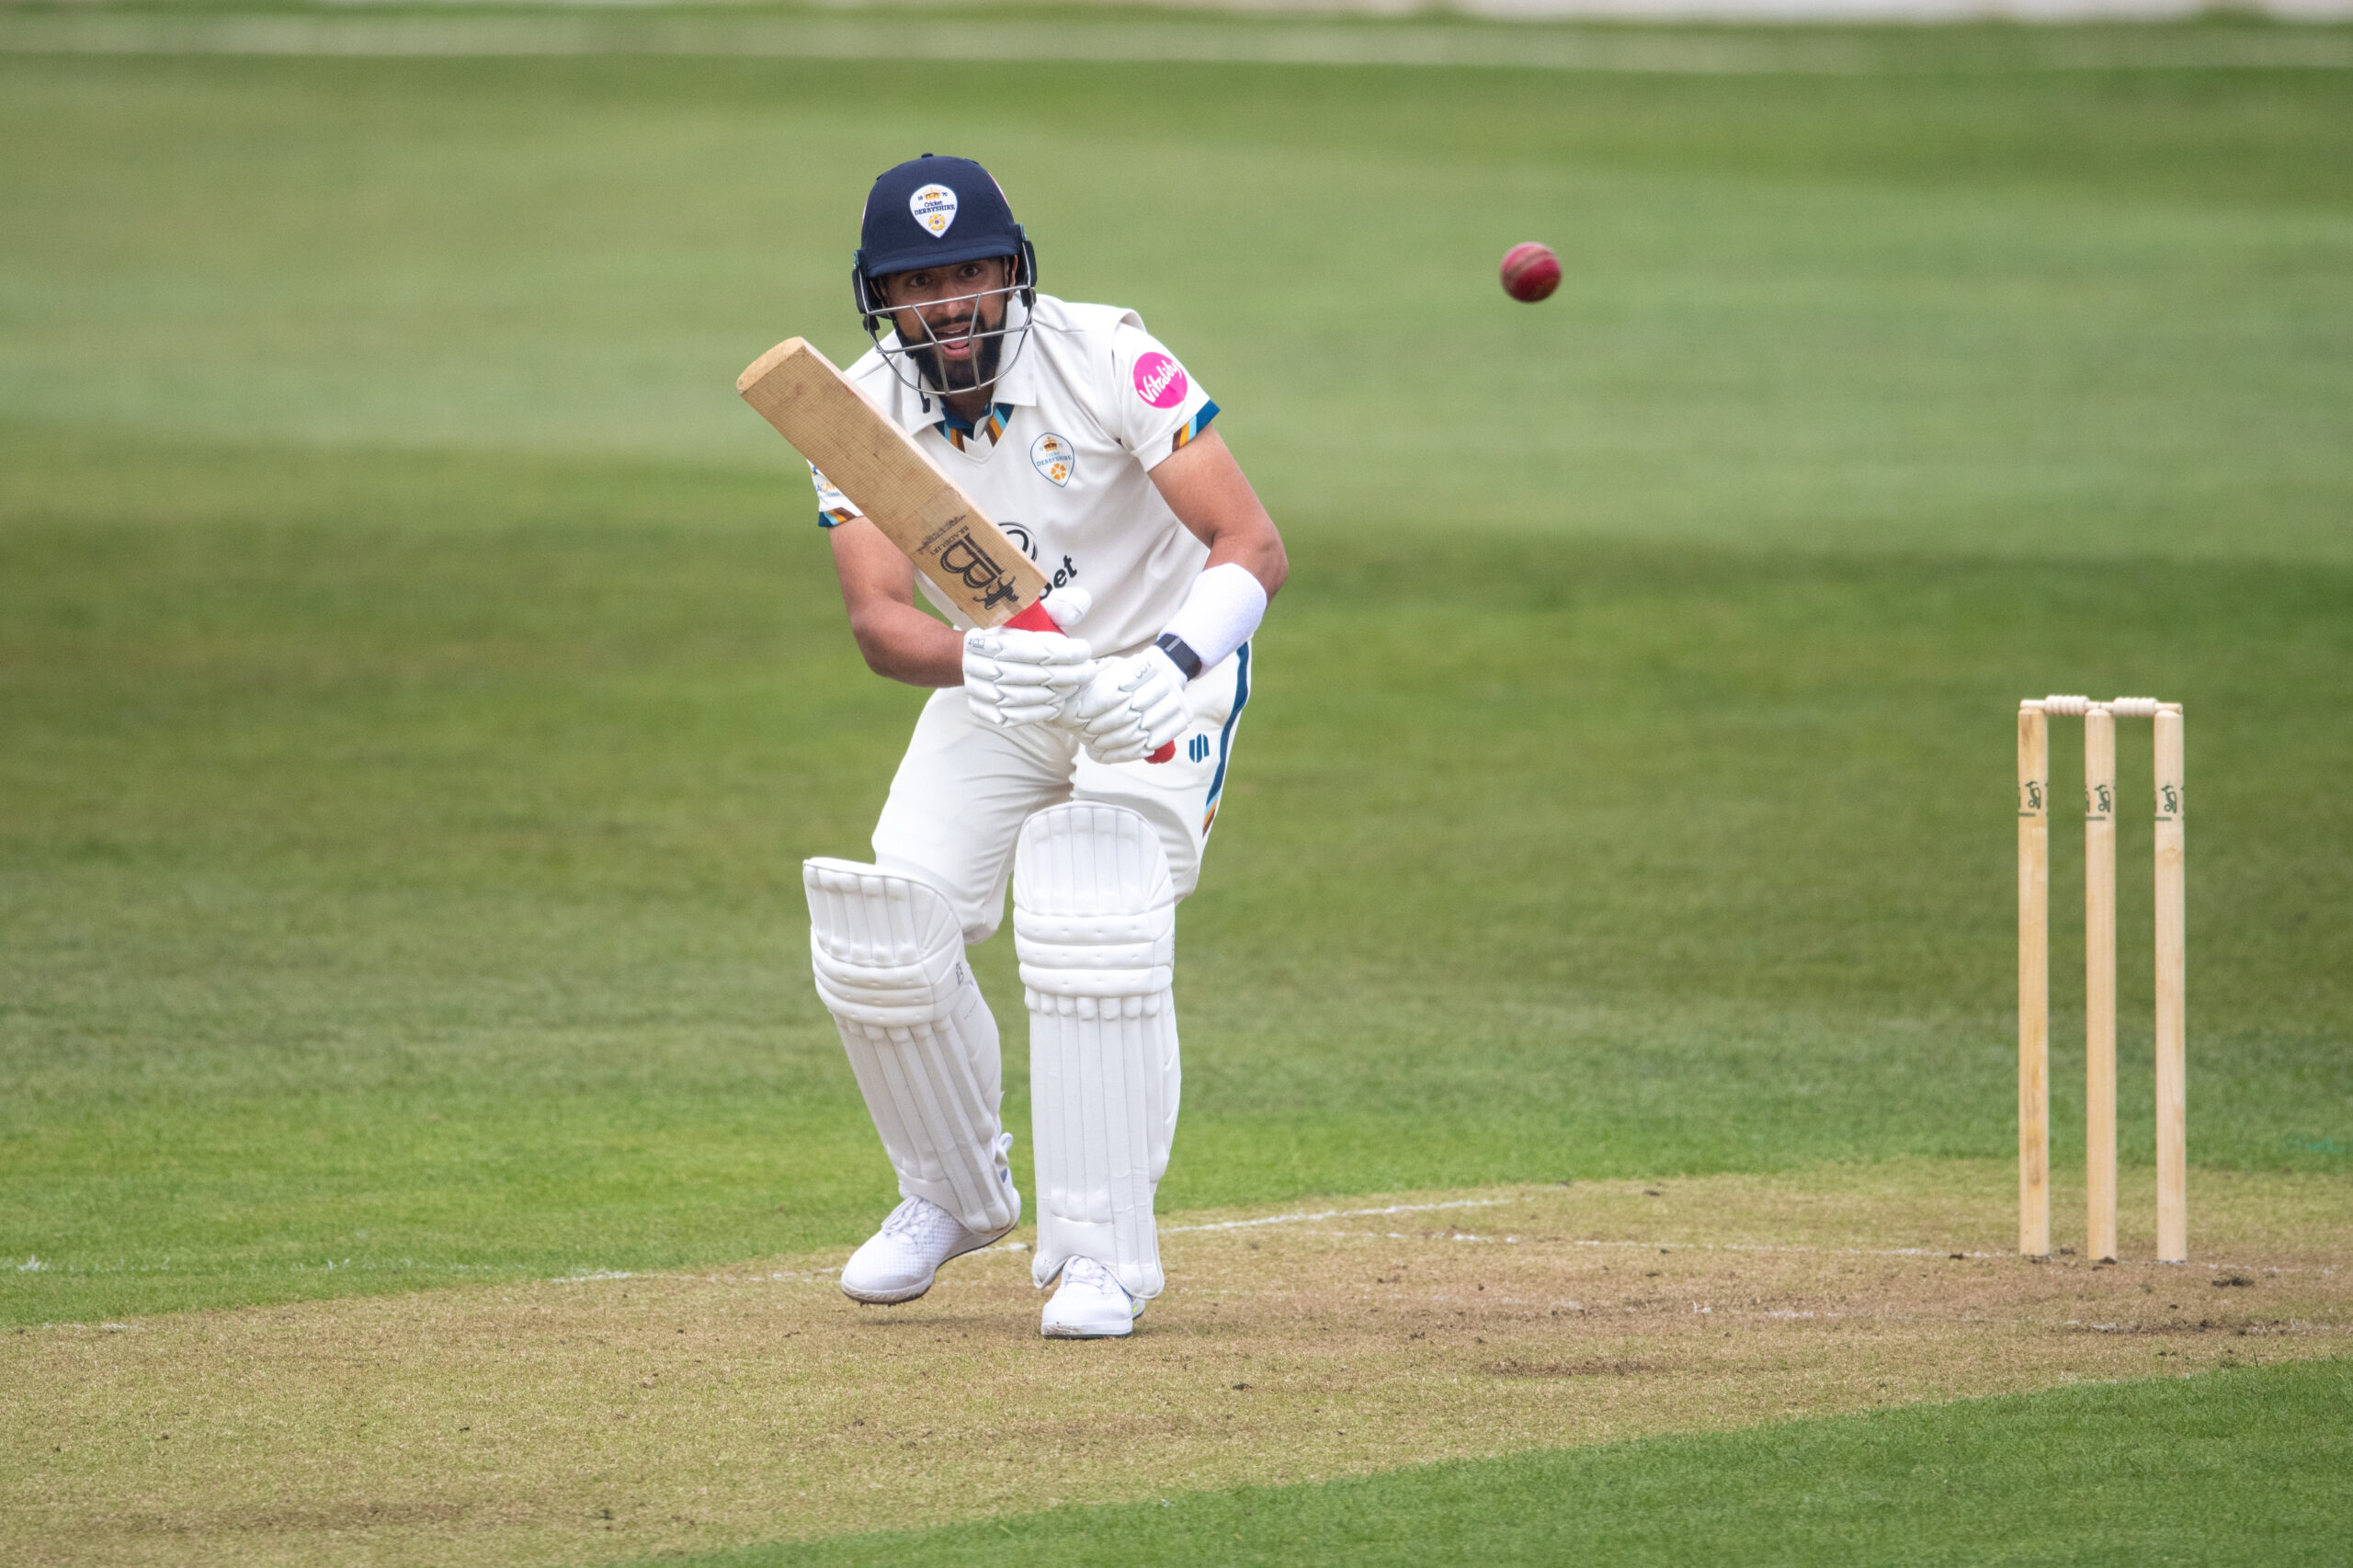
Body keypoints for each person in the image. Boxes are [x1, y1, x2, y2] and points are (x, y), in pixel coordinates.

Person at [801, 154, 1287, 1338]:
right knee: (885, 924)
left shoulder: (1108, 356)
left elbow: (1251, 546)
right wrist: (982, 660)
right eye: (922, 283)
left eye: (971, 272)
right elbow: (880, 623)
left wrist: (1164, 673)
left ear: (1013, 273)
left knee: (1096, 921)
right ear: (884, 297)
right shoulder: (854, 410)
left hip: (1159, 669)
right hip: (1009, 672)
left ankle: (1101, 1257)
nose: (951, 303)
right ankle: (953, 1196)